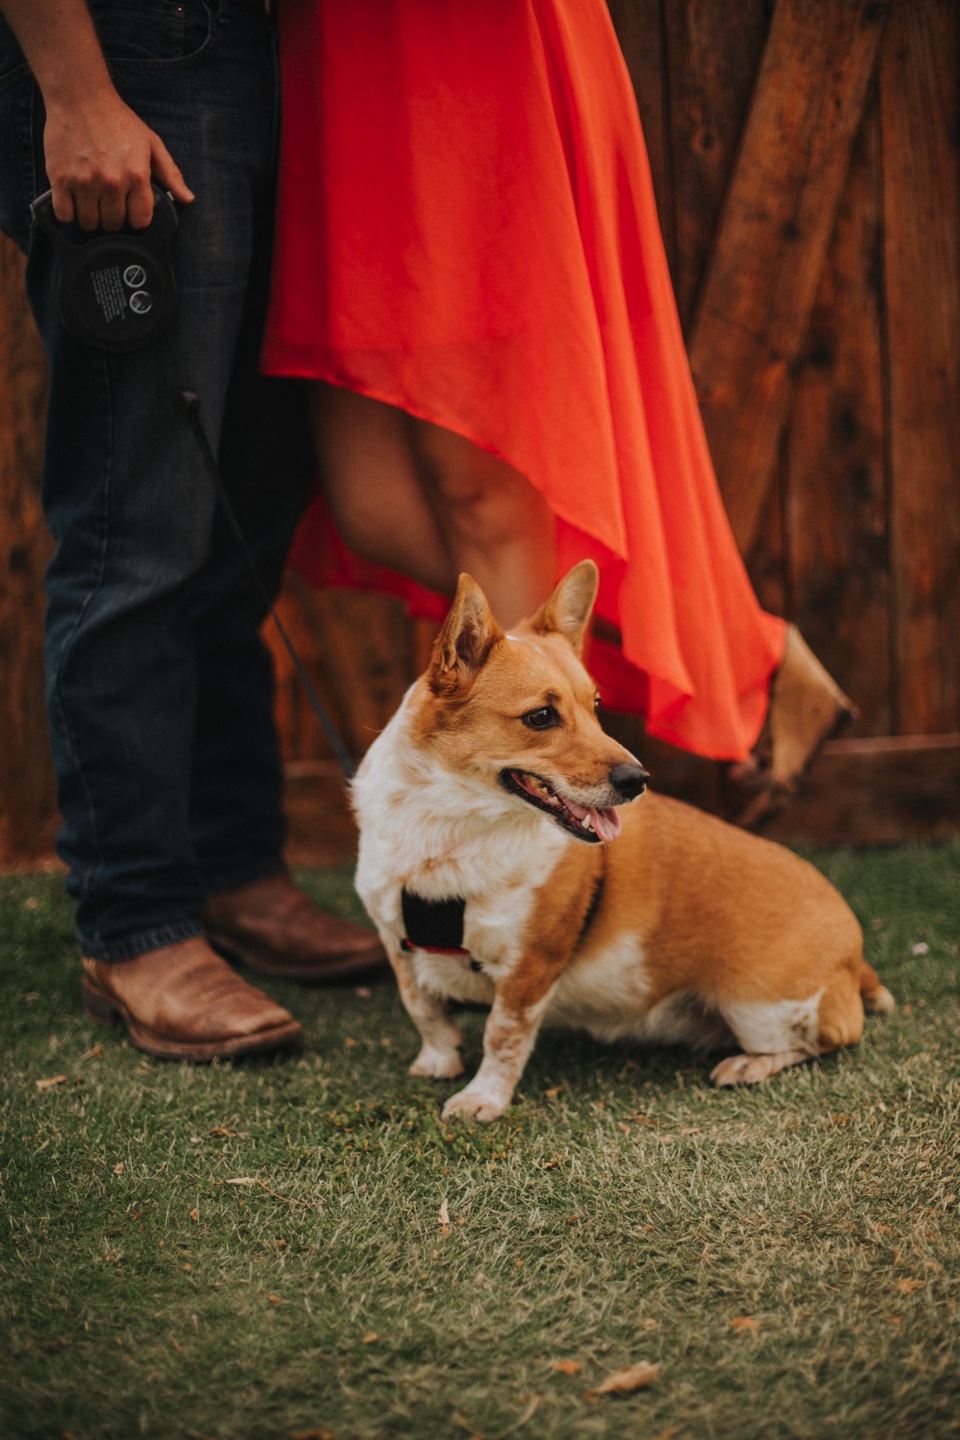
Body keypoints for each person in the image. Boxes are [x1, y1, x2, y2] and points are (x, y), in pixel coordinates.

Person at [262, 0, 852, 806]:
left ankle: (527, 854)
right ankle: (744, 657)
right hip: (341, 57)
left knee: (485, 493)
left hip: (471, 61)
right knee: (369, 505)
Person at [0, 0, 385, 1064]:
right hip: (127, 54)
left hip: (271, 57)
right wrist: (75, 93)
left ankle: (232, 868)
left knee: (245, 512)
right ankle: (135, 925)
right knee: (141, 519)